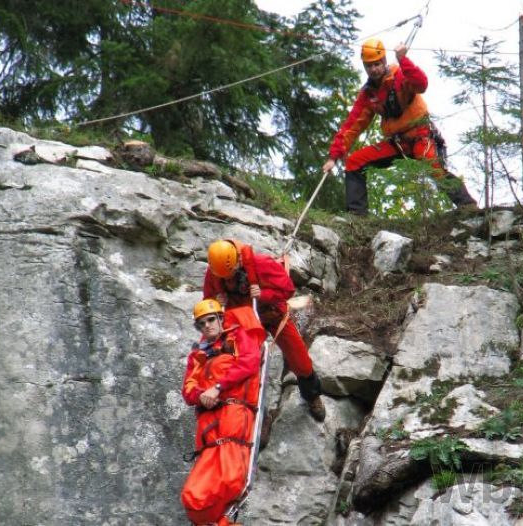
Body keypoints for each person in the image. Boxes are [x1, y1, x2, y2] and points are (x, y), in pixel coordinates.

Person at [322, 38, 477, 215]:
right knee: (354, 162)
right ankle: (357, 217)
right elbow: (352, 125)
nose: (373, 69)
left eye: (377, 64)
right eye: (369, 66)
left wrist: (404, 60)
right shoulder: (368, 94)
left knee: (433, 167)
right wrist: (334, 156)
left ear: (384, 61)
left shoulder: (399, 76)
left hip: (420, 134)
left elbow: (421, 84)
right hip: (397, 143)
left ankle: (467, 206)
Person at [203, 239, 326, 422]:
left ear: (237, 261)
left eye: (230, 274)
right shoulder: (215, 273)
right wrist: (216, 303)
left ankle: (312, 395)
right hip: (245, 322)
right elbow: (207, 304)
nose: (227, 279)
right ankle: (258, 414)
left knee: (300, 360)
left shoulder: (261, 264)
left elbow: (288, 290)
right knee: (247, 367)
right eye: (224, 277)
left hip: (273, 315)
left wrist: (263, 294)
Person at [180, 298, 265, 526]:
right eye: (201, 324)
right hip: (209, 430)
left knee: (230, 481)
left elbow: (250, 361)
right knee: (193, 498)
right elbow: (188, 390)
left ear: (220, 318)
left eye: (210, 320)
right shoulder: (197, 356)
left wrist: (218, 387)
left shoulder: (237, 337)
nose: (207, 326)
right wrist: (203, 395)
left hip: (233, 419)